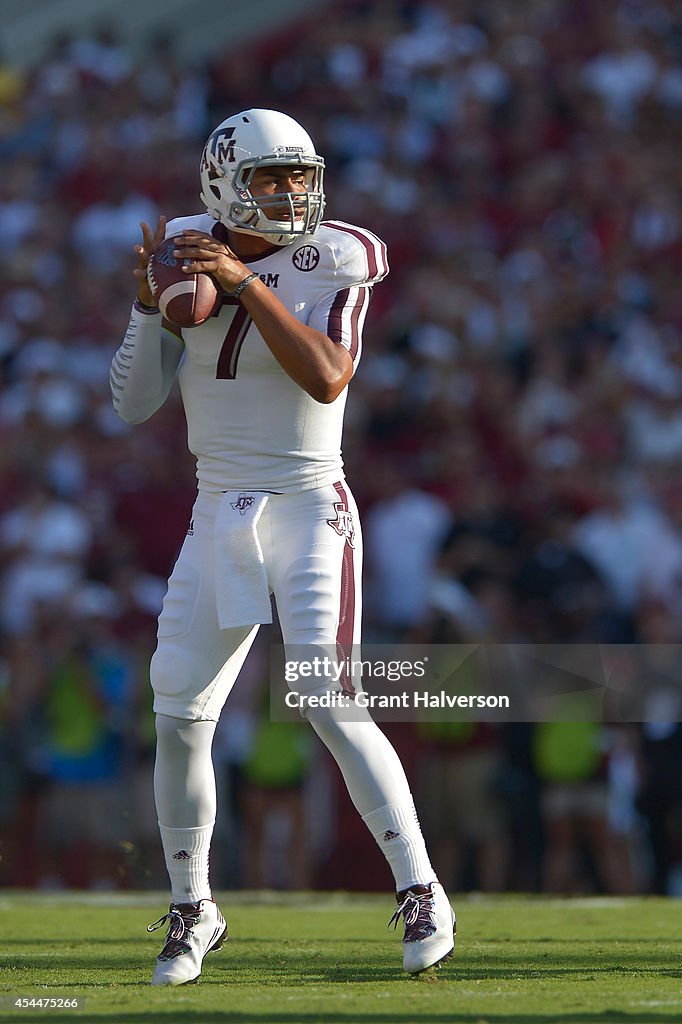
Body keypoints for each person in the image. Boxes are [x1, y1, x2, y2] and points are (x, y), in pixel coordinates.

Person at [110, 107, 455, 986]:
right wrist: (148, 309)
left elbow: (330, 373)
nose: (293, 193)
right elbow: (134, 403)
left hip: (308, 502)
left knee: (327, 697)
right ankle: (194, 906)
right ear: (225, 183)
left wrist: (246, 282)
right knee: (180, 710)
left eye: (301, 176)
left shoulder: (340, 253)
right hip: (215, 505)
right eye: (273, 179)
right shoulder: (183, 241)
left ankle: (422, 888)